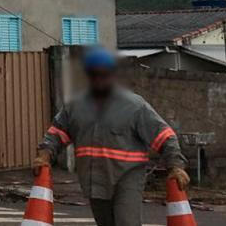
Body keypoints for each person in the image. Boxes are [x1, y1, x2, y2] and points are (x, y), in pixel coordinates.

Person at [33, 47, 189, 226]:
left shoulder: (134, 106)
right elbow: (56, 134)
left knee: (125, 222)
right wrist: (44, 154)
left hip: (127, 177)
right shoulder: (75, 107)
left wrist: (176, 166)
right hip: (95, 179)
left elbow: (164, 136)